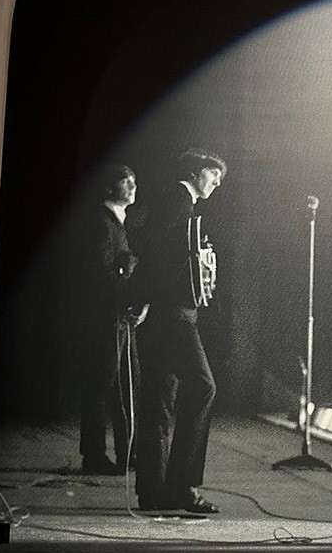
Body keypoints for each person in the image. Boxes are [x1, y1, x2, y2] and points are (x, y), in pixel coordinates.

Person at [134, 148, 226, 514]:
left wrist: (140, 300)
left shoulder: (174, 202)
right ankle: (182, 486)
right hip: (174, 315)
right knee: (203, 387)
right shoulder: (178, 202)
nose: (217, 182)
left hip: (162, 314)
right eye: (214, 174)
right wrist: (144, 297)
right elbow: (155, 257)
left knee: (158, 397)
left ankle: (152, 491)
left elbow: (151, 253)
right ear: (195, 170)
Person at [77, 164, 147, 475]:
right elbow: (102, 275)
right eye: (125, 182)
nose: (133, 187)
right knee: (102, 385)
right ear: (109, 188)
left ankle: (127, 452)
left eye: (134, 181)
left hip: (120, 317)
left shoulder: (117, 223)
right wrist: (130, 299)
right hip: (108, 317)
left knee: (126, 385)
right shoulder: (102, 224)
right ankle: (93, 455)